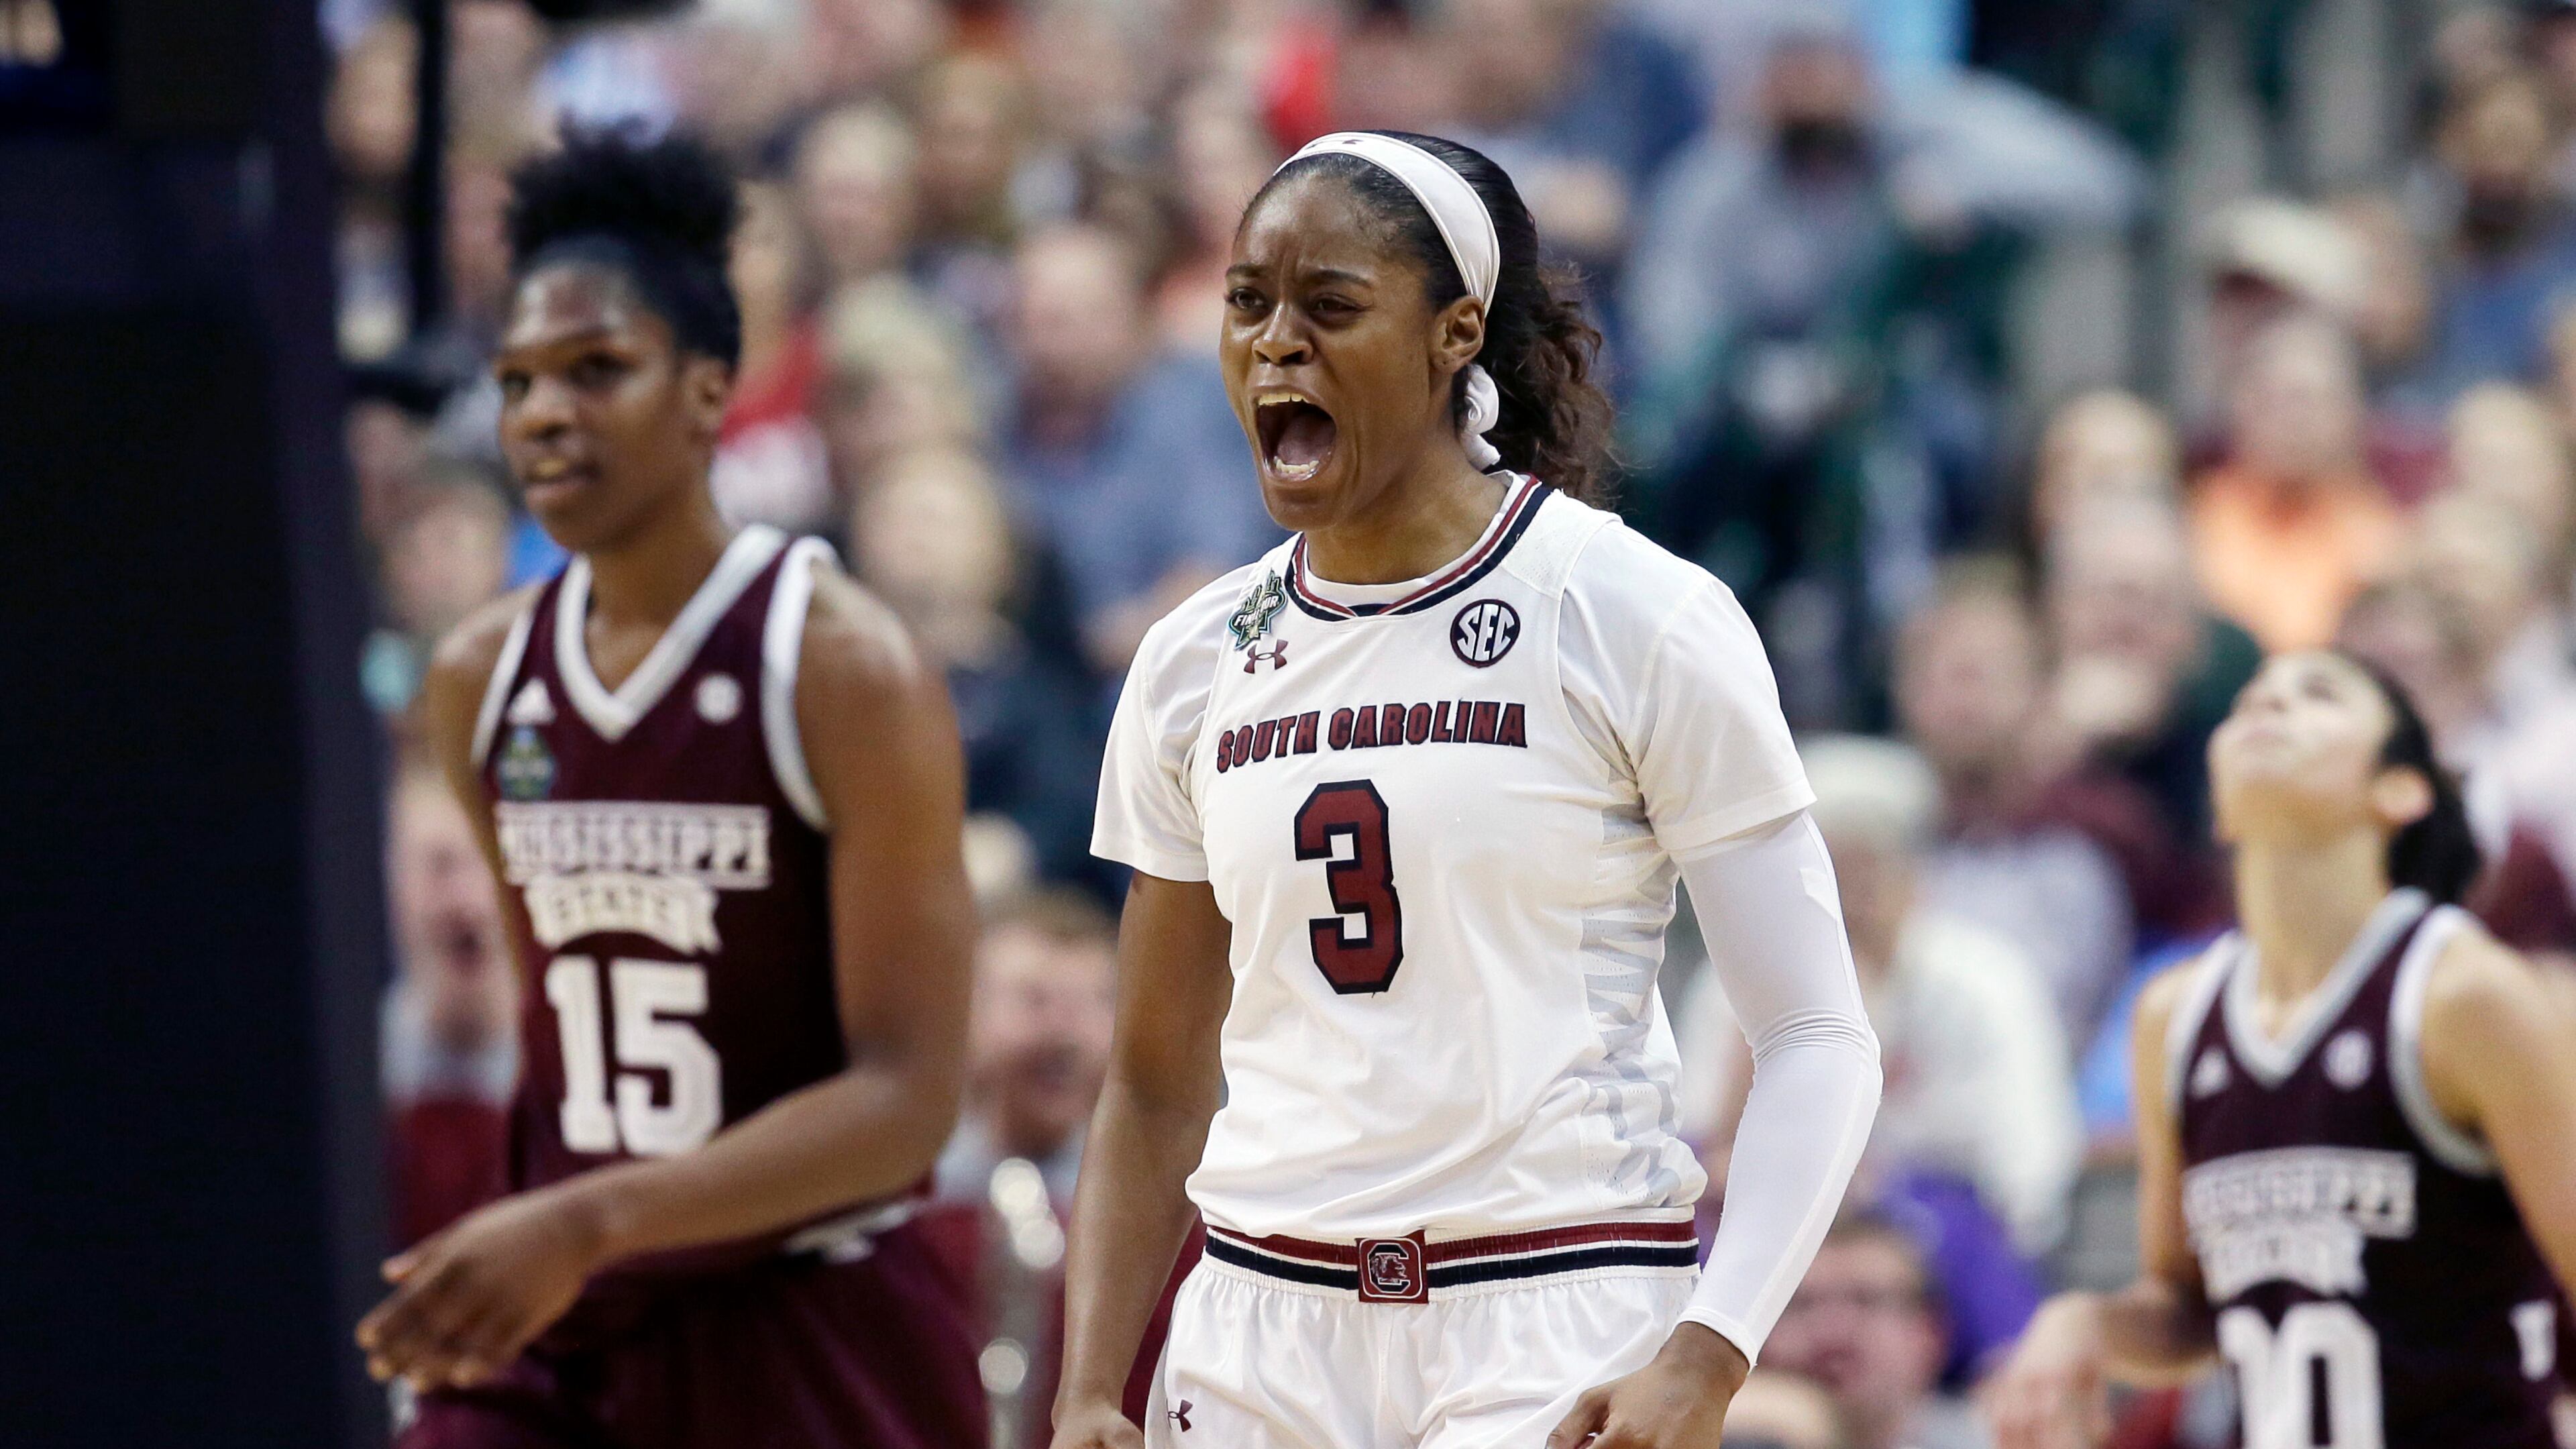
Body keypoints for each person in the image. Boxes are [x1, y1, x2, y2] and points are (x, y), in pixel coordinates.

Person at [1051, 130, 1882, 1449]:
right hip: (1260, 1322)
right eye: (1248, 303)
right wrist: (1089, 1384)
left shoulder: (1630, 612)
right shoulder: (1192, 661)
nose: (1275, 344)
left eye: (1331, 307)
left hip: (1551, 1303)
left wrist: (1713, 1350)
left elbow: (1818, 1036)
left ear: (1456, 337)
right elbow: (1155, 1078)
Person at [354, 128, 985, 1449]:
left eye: (598, 371)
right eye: (518, 380)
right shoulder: (480, 677)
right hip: (578, 1302)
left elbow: (908, 1100)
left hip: (808, 1310)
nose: (544, 413)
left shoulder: (840, 663)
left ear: (709, 392)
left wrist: (592, 1215)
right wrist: (566, 1227)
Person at [1985, 651, 2576, 1449]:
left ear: (2400, 788)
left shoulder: (2464, 995)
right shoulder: (2176, 1014)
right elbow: (2191, 1309)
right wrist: (2086, 1322)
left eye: (2318, 696)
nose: (2268, 709)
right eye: (2252, 699)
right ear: (2221, 807)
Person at [1766, 1208, 1988, 1449]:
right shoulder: (1727, 1434)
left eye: (1865, 1300)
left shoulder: (1998, 1439)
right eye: (1802, 1305)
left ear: (1930, 1334)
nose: (1833, 1331)